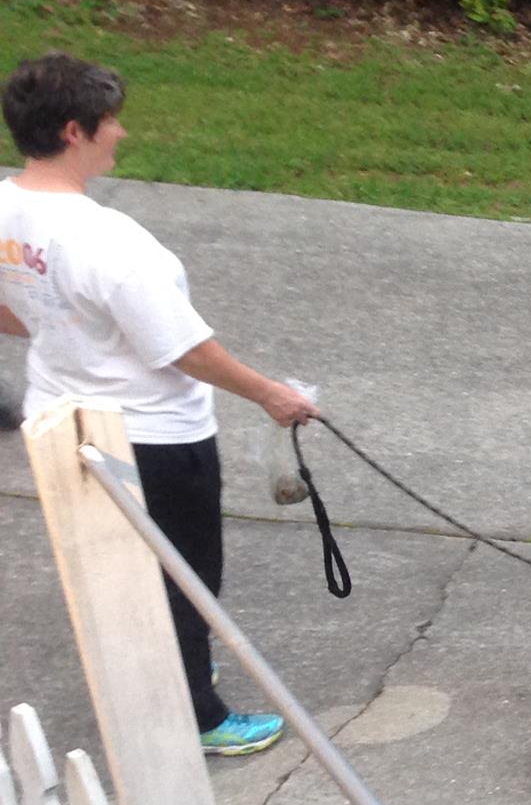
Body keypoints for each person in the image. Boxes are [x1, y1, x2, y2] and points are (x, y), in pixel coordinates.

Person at [0, 52, 318, 755]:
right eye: (112, 122)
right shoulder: (113, 243)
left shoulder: (4, 207)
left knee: (104, 566)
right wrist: (274, 397)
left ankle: (141, 679)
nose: (122, 134)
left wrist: (61, 321)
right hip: (153, 438)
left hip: (57, 420)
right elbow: (183, 350)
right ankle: (198, 715)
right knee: (182, 574)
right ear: (76, 131)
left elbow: (11, 311)